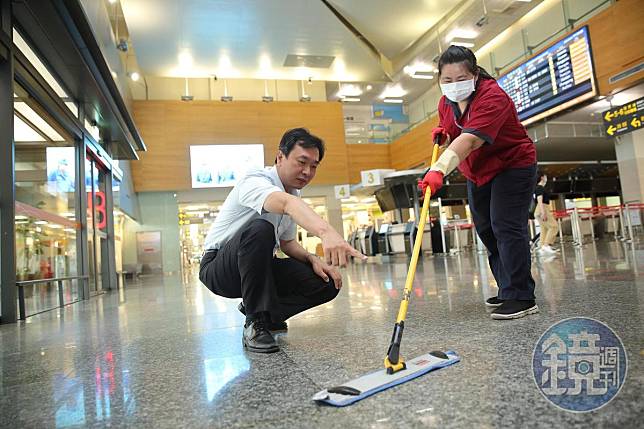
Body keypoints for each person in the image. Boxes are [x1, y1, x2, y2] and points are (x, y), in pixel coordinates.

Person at [199, 128, 365, 353]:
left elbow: (287, 243)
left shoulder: (294, 194)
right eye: (301, 162)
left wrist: (312, 258)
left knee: (326, 282)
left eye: (314, 166)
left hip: (258, 270)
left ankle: (265, 315)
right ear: (280, 157)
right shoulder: (255, 180)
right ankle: (254, 322)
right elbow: (285, 205)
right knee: (260, 228)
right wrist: (326, 233)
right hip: (219, 268)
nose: (307, 171)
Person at [419, 45, 538, 320]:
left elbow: (471, 139)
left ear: (474, 75)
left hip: (512, 165)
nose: (453, 86)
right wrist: (443, 135)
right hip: (477, 172)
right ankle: (507, 287)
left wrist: (439, 170)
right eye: (446, 81)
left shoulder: (492, 97)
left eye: (460, 79)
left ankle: (521, 295)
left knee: (506, 226)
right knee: (486, 229)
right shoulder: (445, 102)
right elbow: (453, 133)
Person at [535, 172, 559, 255]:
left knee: (544, 229)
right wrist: (543, 212)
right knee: (554, 226)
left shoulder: (539, 188)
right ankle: (546, 245)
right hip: (542, 208)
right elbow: (539, 200)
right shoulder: (540, 188)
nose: (546, 178)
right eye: (545, 176)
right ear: (542, 178)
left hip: (540, 209)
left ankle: (542, 247)